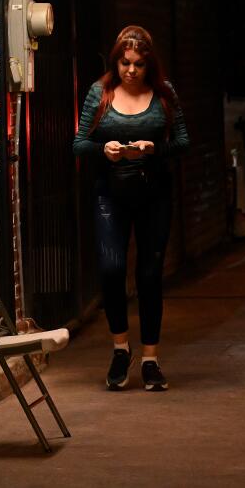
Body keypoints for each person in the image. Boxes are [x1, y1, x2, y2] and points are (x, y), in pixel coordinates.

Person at [73, 26, 189, 391]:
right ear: (116, 60)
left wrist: (155, 149)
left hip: (154, 191)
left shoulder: (164, 93)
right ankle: (121, 349)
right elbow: (79, 143)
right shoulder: (100, 92)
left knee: (150, 275)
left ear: (148, 63)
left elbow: (183, 142)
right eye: (125, 63)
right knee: (111, 268)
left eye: (139, 64)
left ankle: (151, 359)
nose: (131, 71)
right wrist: (103, 149)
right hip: (111, 192)